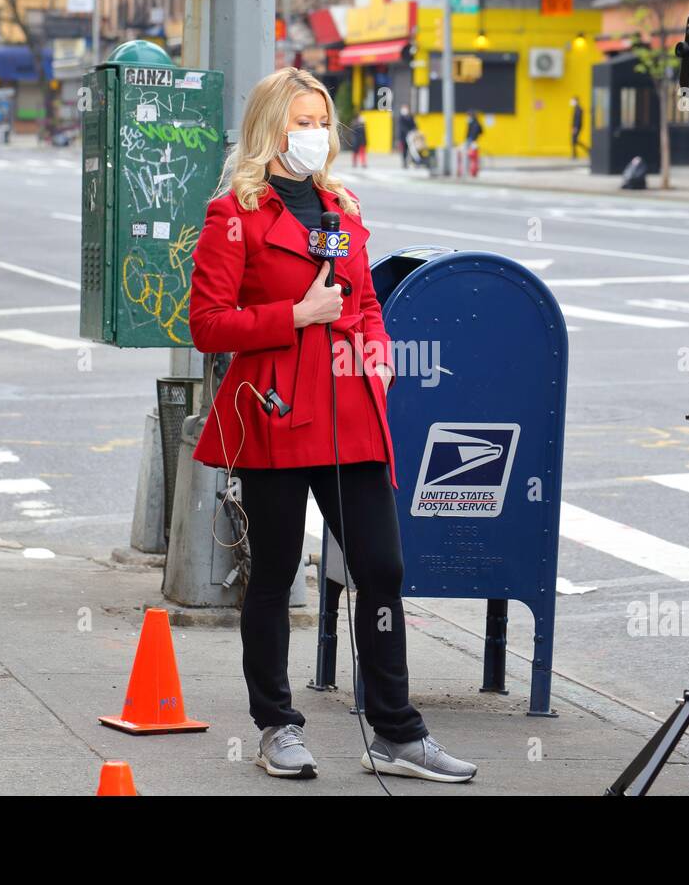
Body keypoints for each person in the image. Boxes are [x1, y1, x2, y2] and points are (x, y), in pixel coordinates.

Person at [188, 67, 477, 784]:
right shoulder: (233, 214)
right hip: (278, 411)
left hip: (350, 408)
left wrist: (377, 349)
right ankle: (277, 725)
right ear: (269, 129)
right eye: (300, 121)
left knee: (382, 569)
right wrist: (292, 317)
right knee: (275, 576)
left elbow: (367, 298)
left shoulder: (339, 207)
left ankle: (396, 733)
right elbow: (207, 326)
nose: (314, 134)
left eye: (321, 121)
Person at [464, 109, 484, 176]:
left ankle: (472, 171)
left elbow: (472, 133)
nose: (467, 117)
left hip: (471, 141)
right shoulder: (475, 122)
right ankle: (472, 171)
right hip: (472, 141)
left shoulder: (473, 123)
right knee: (473, 157)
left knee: (471, 156)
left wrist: (472, 139)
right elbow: (481, 131)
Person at [396, 103, 417, 168]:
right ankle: (404, 162)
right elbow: (401, 127)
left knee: (411, 149)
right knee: (404, 150)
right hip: (403, 137)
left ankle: (412, 162)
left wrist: (413, 131)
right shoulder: (401, 117)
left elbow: (414, 125)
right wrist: (407, 131)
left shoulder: (411, 117)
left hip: (410, 136)